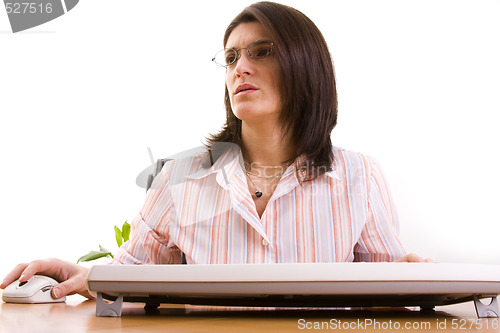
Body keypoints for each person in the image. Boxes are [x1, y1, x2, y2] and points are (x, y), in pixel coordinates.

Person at [0, 1, 430, 301]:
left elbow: (387, 294)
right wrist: (86, 275)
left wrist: (415, 278)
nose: (240, 67)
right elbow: (130, 278)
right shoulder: (178, 177)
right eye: (231, 57)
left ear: (306, 65)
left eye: (262, 52)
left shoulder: (360, 176)